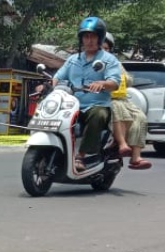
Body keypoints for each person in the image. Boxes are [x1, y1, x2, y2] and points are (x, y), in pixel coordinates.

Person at [52, 17, 121, 172]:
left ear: (100, 38)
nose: (89, 40)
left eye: (93, 36)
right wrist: (51, 84)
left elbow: (114, 83)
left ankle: (81, 156)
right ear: (81, 38)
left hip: (95, 105)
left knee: (99, 115)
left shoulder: (108, 60)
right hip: (70, 105)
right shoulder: (72, 60)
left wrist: (102, 84)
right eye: (86, 36)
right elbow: (58, 77)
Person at [103, 34, 152, 170]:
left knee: (140, 117)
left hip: (121, 98)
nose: (104, 51)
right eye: (102, 48)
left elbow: (129, 80)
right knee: (118, 107)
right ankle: (122, 144)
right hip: (104, 99)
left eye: (107, 48)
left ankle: (136, 156)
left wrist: (122, 77)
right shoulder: (93, 63)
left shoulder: (115, 63)